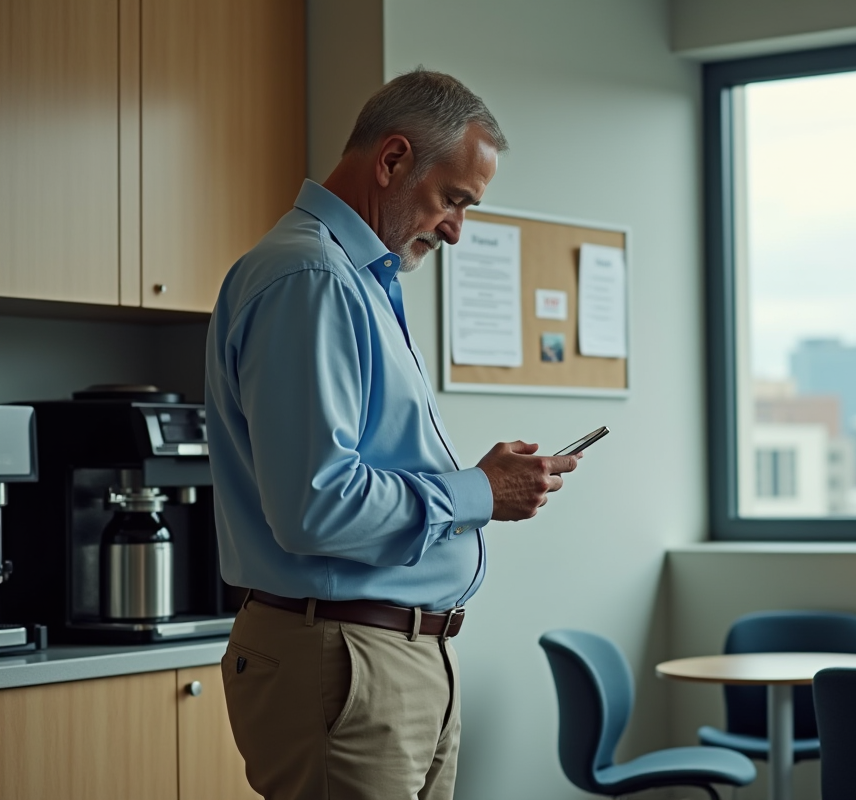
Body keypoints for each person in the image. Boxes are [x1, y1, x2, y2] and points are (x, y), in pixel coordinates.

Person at [204, 68, 579, 800]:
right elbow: (316, 506)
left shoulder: (357, 281)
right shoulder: (312, 279)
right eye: (453, 199)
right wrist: (477, 492)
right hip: (346, 658)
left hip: (388, 657)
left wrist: (479, 486)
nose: (456, 230)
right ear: (394, 159)